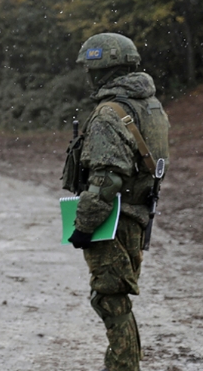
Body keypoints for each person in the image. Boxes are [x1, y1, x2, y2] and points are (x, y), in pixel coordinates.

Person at [63, 33, 170, 371]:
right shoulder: (148, 105)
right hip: (136, 213)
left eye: (90, 69)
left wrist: (83, 225)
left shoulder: (111, 112)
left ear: (103, 70)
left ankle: (124, 367)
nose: (88, 76)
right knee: (116, 298)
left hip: (114, 219)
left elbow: (107, 178)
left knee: (110, 299)